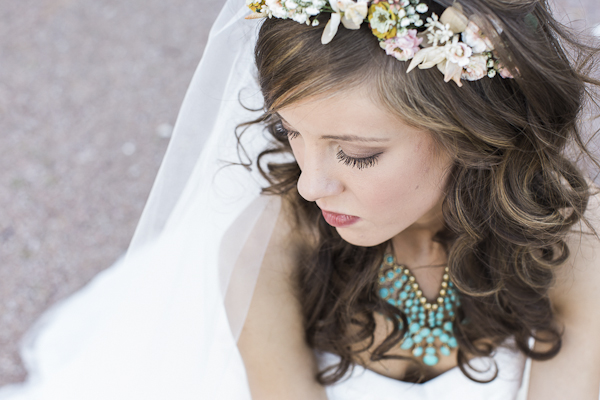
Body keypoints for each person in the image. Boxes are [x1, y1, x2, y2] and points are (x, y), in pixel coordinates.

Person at [1, 0, 599, 399]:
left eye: (356, 154)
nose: (312, 185)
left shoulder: (576, 244)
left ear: (473, 134)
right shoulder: (269, 245)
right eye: (291, 134)